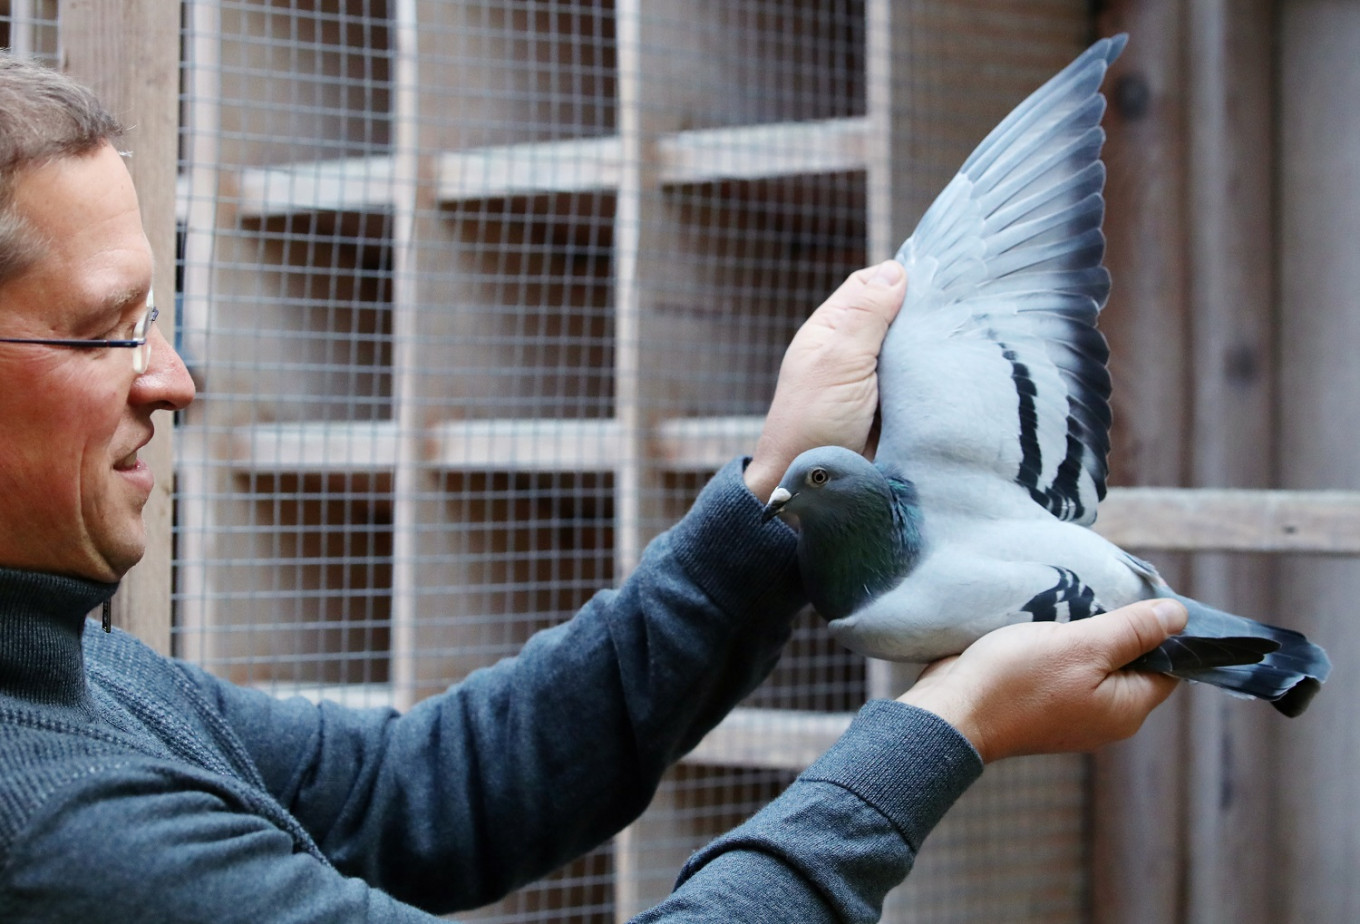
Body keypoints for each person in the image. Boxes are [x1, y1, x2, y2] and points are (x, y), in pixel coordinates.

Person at [0, 52, 1185, 923]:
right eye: (108, 333)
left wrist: (773, 495)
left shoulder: (81, 671)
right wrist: (942, 729)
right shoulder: (57, 825)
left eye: (156, 317)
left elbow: (426, 792)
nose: (175, 380)